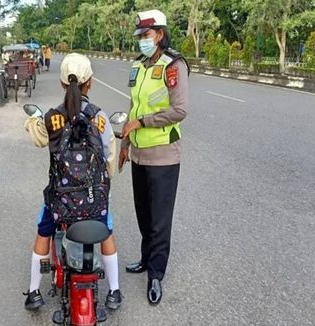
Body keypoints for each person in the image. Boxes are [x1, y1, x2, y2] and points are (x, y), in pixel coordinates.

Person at [23, 53, 123, 311]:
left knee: (43, 230)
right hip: (93, 200)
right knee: (107, 230)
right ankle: (114, 291)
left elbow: (38, 139)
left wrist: (32, 121)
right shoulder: (99, 117)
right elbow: (109, 157)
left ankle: (34, 291)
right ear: (90, 82)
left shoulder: (52, 117)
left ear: (61, 84)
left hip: (61, 200)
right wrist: (103, 189)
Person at [118, 9, 189, 305]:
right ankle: (147, 259)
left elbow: (179, 110)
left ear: (159, 34)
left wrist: (142, 122)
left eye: (146, 36)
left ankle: (156, 275)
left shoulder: (173, 65)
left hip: (163, 156)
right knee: (143, 213)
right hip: (139, 154)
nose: (142, 41)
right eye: (140, 37)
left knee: (160, 220)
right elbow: (134, 107)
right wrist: (125, 143)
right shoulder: (138, 66)